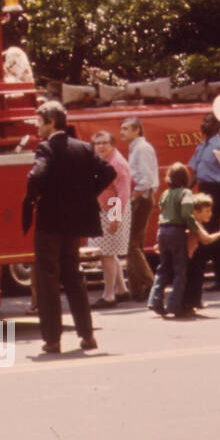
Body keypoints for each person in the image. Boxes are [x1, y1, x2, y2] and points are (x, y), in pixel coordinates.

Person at [24, 101, 114, 354]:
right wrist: (87, 195)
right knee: (74, 275)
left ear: (51, 122)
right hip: (76, 222)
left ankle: (52, 339)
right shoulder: (85, 148)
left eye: (39, 121)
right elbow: (108, 172)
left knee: (48, 279)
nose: (37, 126)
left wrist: (34, 195)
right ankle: (87, 336)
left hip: (50, 221)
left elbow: (36, 176)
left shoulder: (46, 148)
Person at [185, 113, 220, 295]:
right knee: (212, 234)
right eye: (203, 121)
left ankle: (219, 278)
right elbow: (194, 172)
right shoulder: (201, 146)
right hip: (202, 189)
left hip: (216, 191)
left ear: (217, 125)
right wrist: (184, 191)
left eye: (207, 122)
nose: (202, 124)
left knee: (210, 232)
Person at [147, 163, 202, 318]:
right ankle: (174, 304)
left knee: (163, 268)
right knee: (179, 270)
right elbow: (186, 213)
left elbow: (161, 209)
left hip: (162, 230)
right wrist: (194, 228)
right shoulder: (186, 193)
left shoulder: (165, 194)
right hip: (177, 232)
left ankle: (155, 300)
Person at [88, 130, 133, 309]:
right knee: (109, 252)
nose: (100, 146)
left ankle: (108, 295)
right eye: (97, 143)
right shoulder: (103, 160)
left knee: (106, 254)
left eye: (104, 142)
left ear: (113, 144)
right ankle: (121, 290)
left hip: (113, 210)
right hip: (105, 209)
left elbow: (123, 194)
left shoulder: (117, 164)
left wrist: (115, 218)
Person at [119, 116, 158, 301]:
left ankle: (152, 283)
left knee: (131, 244)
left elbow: (146, 178)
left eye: (126, 129)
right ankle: (137, 289)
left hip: (142, 198)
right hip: (141, 198)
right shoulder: (136, 148)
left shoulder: (142, 149)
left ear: (137, 130)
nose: (122, 132)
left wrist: (134, 197)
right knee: (135, 244)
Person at [183, 193, 220, 310]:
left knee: (192, 278)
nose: (210, 214)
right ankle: (193, 302)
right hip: (192, 256)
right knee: (195, 278)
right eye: (207, 211)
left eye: (210, 211)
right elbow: (206, 239)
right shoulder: (195, 223)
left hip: (190, 255)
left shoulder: (193, 222)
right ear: (196, 212)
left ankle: (190, 302)